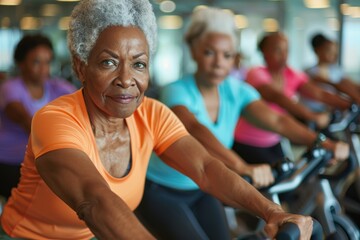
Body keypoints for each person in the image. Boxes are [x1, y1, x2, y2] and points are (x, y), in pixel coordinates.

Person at [0, 1, 314, 240]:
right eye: (108, 62)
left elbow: (206, 168)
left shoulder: (152, 113)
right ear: (81, 68)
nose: (126, 79)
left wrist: (272, 212)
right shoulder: (55, 119)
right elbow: (94, 200)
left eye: (139, 64)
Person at [135, 8, 348, 240]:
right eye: (209, 53)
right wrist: (242, 166)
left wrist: (321, 142)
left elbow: (277, 120)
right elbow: (194, 130)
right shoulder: (176, 90)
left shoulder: (236, 91)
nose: (218, 63)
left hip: (204, 188)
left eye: (227, 55)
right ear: (194, 52)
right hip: (162, 188)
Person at [233, 32, 351, 165]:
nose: (283, 55)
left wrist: (347, 104)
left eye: (286, 50)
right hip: (248, 142)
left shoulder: (291, 74)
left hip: (274, 139)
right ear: (264, 52)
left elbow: (320, 94)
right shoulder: (256, 73)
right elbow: (277, 97)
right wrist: (311, 116)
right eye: (278, 50)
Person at [0, 34, 76, 199]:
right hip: (9, 162)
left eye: (47, 62)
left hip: (39, 161)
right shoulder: (10, 88)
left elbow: (83, 105)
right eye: (36, 62)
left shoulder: (58, 87)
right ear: (21, 63)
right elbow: (29, 123)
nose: (43, 68)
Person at [301, 32, 360, 113]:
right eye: (329, 50)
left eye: (334, 51)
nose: (333, 55)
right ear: (317, 50)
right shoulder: (310, 72)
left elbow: (350, 84)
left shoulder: (336, 70)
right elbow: (336, 86)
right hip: (316, 113)